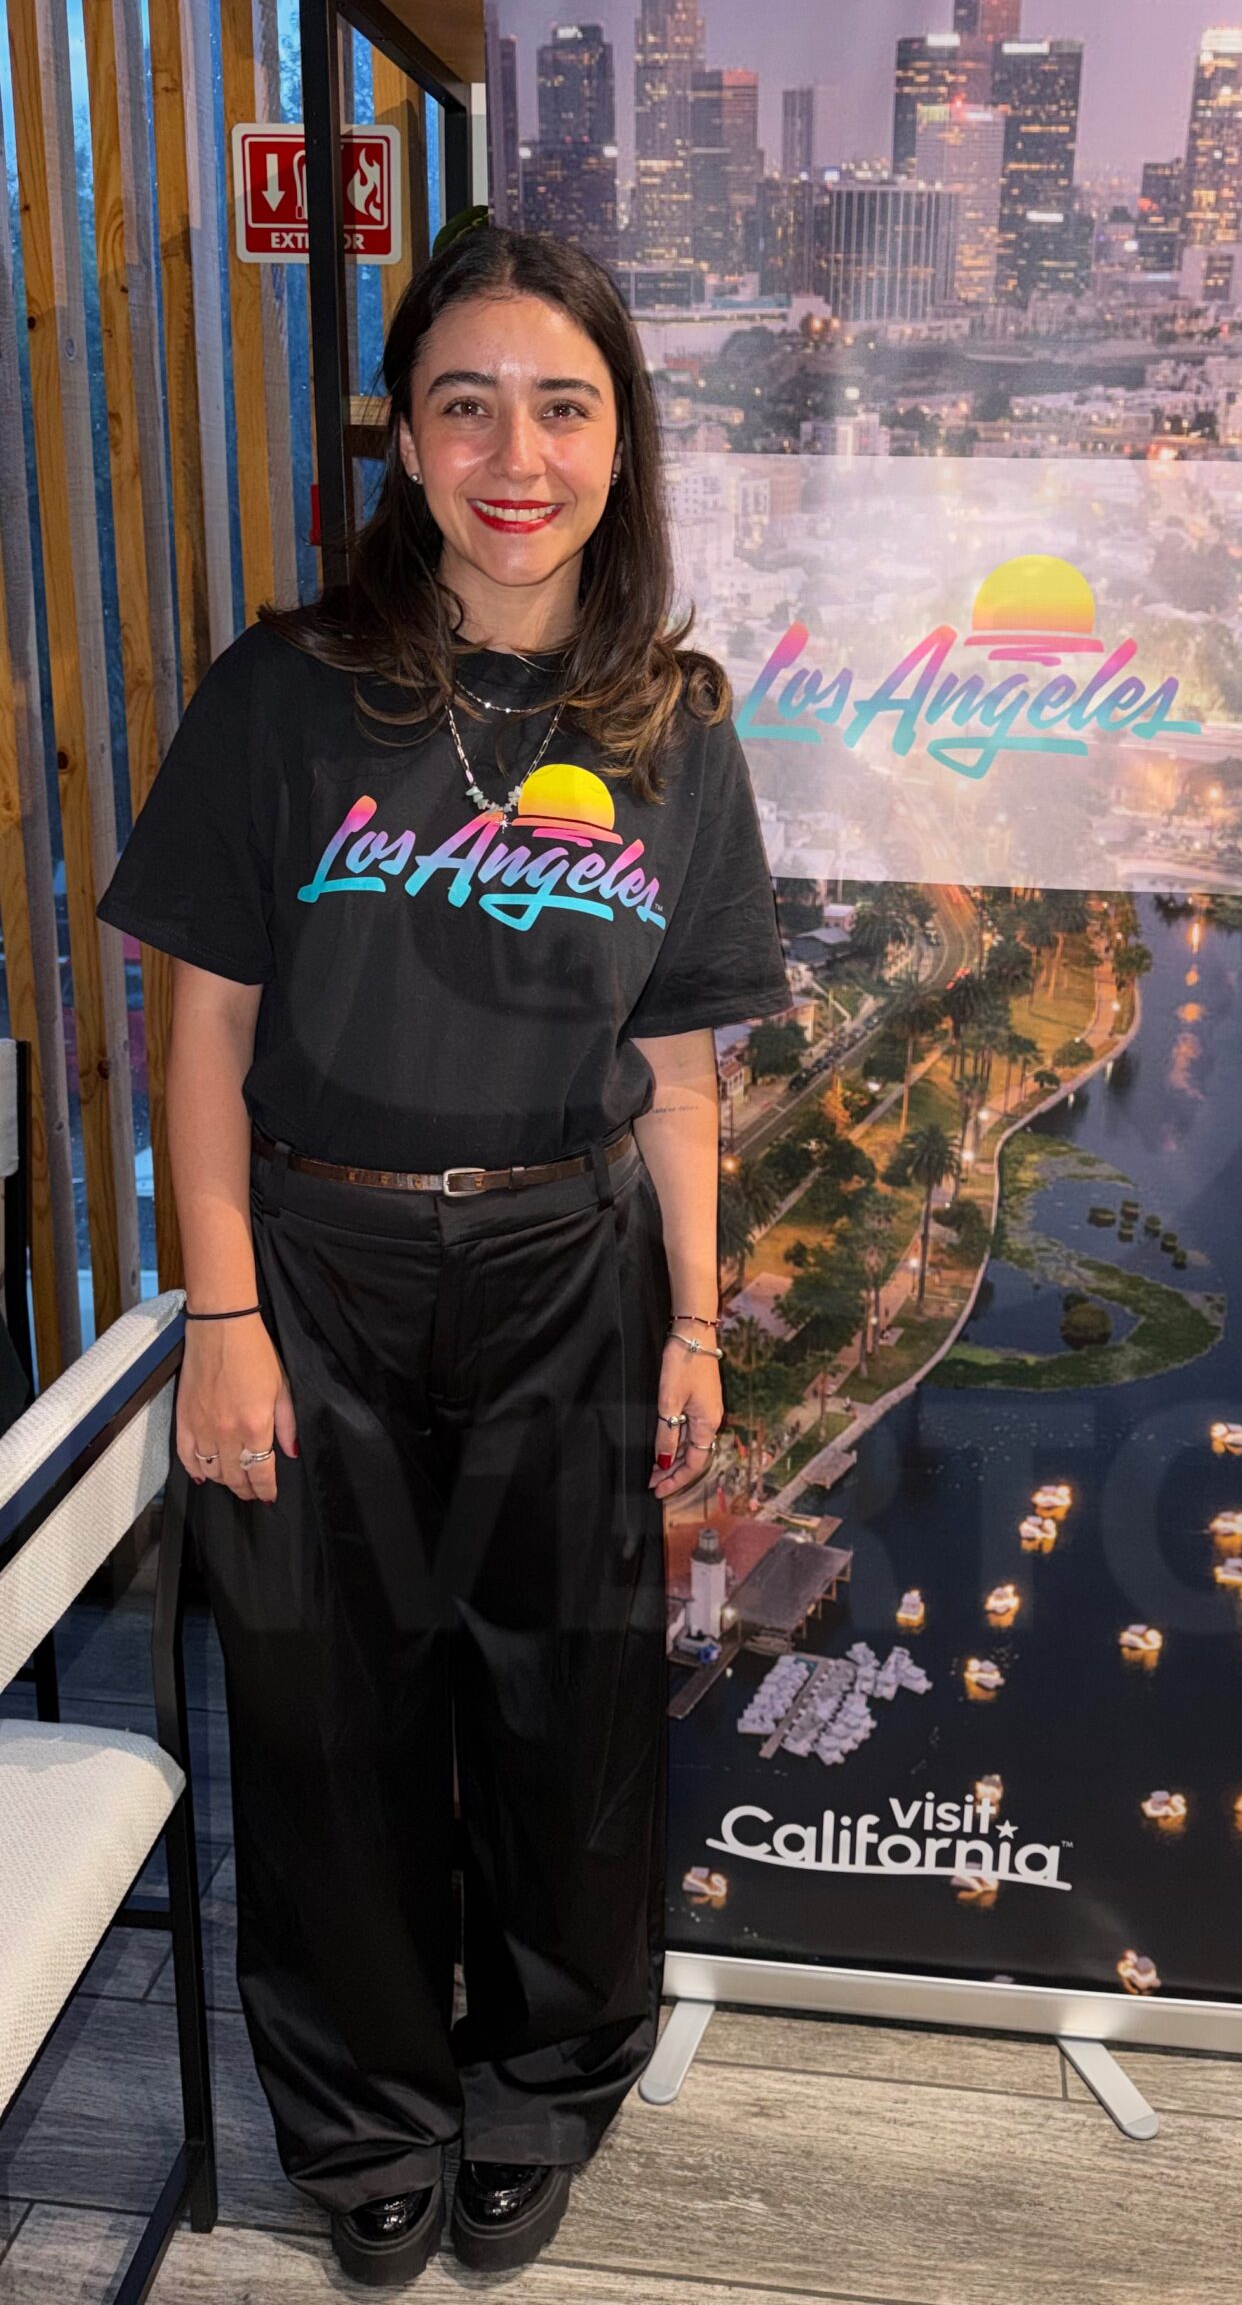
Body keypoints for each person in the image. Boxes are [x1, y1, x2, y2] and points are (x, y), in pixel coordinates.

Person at [97, 224, 792, 2287]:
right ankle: (363, 2107)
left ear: (619, 441)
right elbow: (201, 1029)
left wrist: (694, 1320)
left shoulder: (676, 723)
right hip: (311, 1268)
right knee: (326, 1714)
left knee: (567, 1708)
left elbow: (679, 1066)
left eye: (562, 407)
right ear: (404, 437)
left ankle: (546, 2078)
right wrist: (223, 1314)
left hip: (568, 1265)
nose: (517, 453)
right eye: (466, 404)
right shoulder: (285, 691)